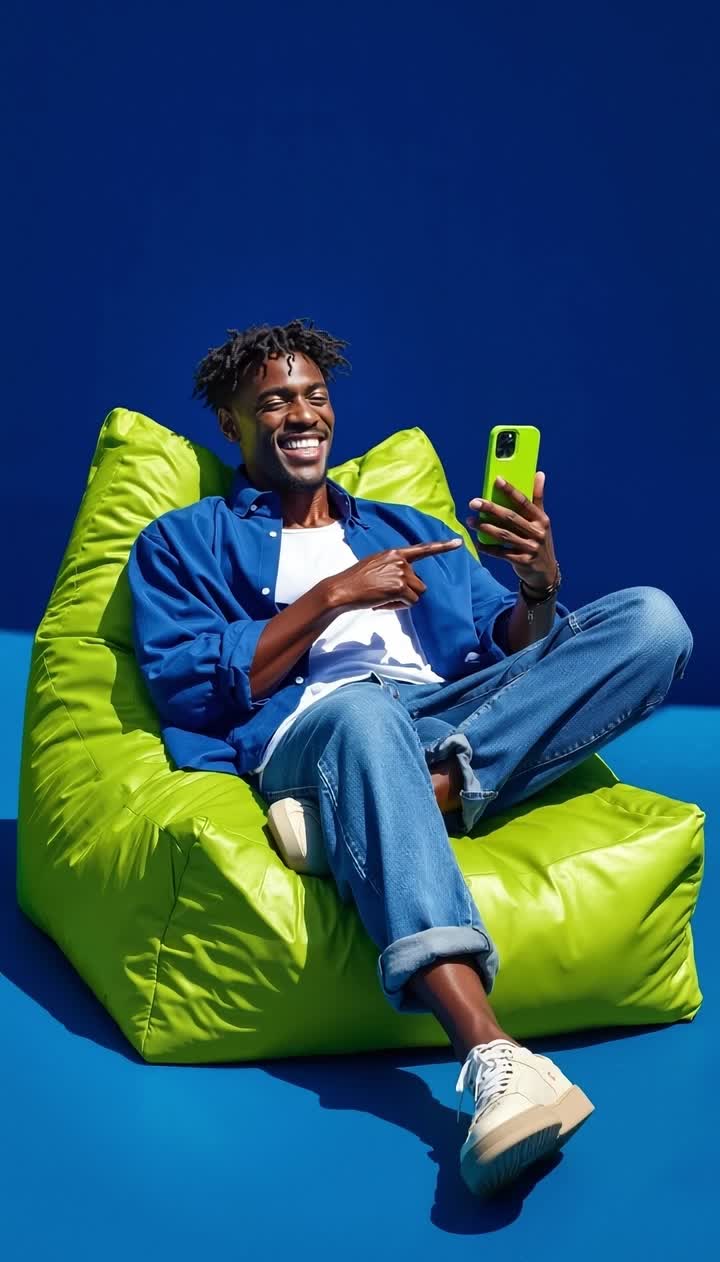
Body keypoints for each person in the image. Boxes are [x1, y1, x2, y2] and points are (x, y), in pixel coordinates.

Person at [127, 318, 693, 1198]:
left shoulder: (406, 526)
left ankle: (415, 798)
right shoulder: (182, 542)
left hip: (445, 718)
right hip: (314, 730)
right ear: (233, 427)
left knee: (653, 620)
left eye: (314, 396)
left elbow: (505, 649)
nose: (300, 413)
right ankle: (495, 1057)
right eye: (272, 401)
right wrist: (334, 596)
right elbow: (195, 690)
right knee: (364, 714)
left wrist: (539, 585)